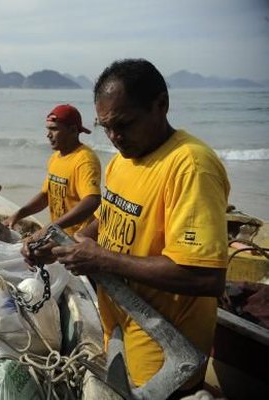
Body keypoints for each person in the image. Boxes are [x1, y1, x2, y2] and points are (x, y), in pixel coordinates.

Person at [24, 59, 229, 398]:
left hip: (166, 352)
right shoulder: (122, 160)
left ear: (160, 104)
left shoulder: (190, 166)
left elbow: (205, 277)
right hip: (121, 331)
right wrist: (62, 245)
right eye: (105, 127)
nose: (115, 137)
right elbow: (109, 216)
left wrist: (102, 260)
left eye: (124, 124)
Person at [4, 104, 101, 236]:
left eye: (54, 129)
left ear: (72, 130)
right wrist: (18, 215)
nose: (48, 135)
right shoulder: (55, 157)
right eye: (48, 129)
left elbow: (92, 201)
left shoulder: (84, 160)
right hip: (58, 234)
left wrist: (52, 226)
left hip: (76, 238)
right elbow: (46, 196)